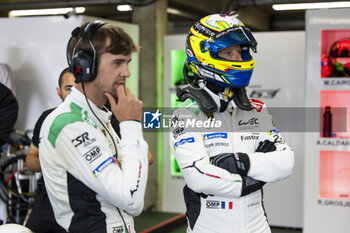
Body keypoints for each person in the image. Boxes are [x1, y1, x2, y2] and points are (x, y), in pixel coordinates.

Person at [169, 13, 294, 233]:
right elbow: (198, 177)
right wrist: (256, 176)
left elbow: (286, 162)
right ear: (202, 54)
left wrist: (242, 163)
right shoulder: (185, 113)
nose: (238, 58)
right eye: (229, 52)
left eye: (241, 51)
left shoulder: (257, 109)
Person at [39, 21, 149, 233]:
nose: (127, 72)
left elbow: (129, 184)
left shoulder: (100, 116)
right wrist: (131, 125)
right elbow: (133, 200)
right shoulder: (69, 124)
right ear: (85, 65)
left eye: (128, 62)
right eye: (117, 63)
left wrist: (124, 172)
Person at [25, 67, 75, 232]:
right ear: (58, 91)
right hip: (48, 200)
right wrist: (54, 161)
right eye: (68, 89)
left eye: (78, 88)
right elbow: (31, 159)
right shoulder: (46, 118)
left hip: (82, 202)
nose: (73, 94)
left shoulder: (100, 118)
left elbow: (146, 157)